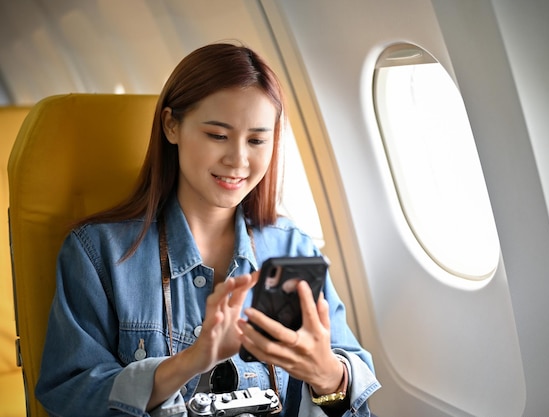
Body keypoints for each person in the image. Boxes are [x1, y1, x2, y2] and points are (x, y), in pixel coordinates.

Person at [35, 42, 380, 417]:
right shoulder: (98, 251)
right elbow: (68, 392)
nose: (238, 159)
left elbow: (350, 387)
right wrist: (190, 361)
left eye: (257, 140)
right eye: (218, 135)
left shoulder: (292, 248)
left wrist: (328, 377)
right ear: (171, 125)